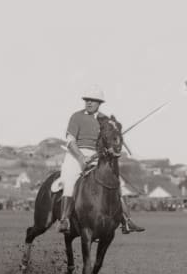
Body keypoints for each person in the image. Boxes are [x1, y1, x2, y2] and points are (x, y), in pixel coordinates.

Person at [57, 85, 145, 235]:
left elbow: (110, 141)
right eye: (87, 100)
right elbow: (70, 141)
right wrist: (80, 157)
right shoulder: (76, 116)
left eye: (93, 100)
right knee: (70, 182)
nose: (89, 103)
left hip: (97, 156)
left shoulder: (106, 120)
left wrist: (111, 148)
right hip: (75, 154)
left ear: (100, 103)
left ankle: (127, 220)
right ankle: (64, 220)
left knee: (119, 184)